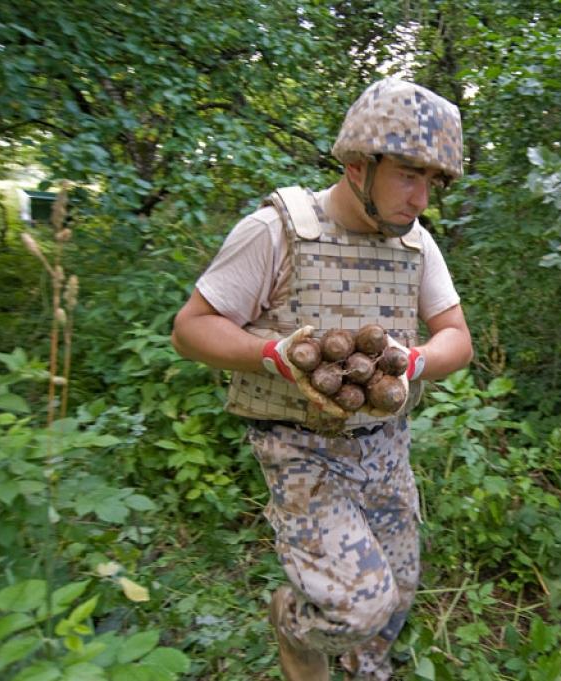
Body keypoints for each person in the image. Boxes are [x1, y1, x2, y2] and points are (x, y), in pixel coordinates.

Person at [171, 78, 473, 681]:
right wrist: (273, 355)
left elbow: (457, 339)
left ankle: (366, 669)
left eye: (432, 182)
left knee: (397, 595)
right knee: (357, 605)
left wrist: (414, 360)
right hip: (300, 448)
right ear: (359, 165)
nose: (421, 198)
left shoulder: (416, 245)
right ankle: (294, 625)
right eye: (408, 175)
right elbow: (190, 330)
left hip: (386, 447)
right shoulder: (277, 231)